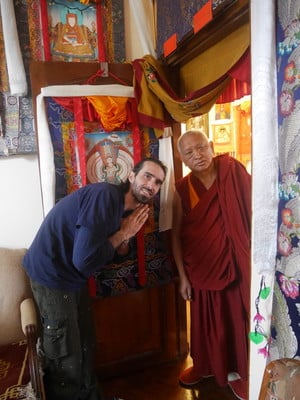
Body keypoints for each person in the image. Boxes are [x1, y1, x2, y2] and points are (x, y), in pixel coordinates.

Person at [23, 157, 167, 400]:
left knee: (85, 344)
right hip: (52, 275)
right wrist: (123, 232)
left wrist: (125, 235)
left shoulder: (129, 209)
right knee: (66, 352)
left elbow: (112, 253)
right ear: (131, 176)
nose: (151, 185)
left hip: (74, 276)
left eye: (158, 182)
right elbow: (86, 260)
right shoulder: (105, 197)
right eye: (147, 176)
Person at [171, 130, 251, 400]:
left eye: (201, 148)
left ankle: (242, 371)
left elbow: (256, 209)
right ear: (182, 158)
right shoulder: (182, 188)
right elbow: (177, 235)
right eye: (189, 153)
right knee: (206, 319)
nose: (198, 156)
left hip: (236, 263)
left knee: (237, 317)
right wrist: (182, 277)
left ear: (212, 146)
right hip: (201, 268)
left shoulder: (232, 171)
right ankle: (207, 366)